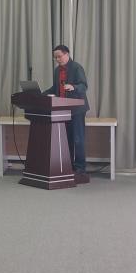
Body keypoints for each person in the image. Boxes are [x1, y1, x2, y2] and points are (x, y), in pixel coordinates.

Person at [42, 44, 90, 184]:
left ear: (67, 54)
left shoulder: (76, 67)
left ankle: (80, 169)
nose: (57, 59)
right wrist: (41, 94)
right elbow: (55, 88)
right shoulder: (57, 71)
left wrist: (73, 87)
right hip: (63, 109)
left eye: (59, 56)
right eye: (55, 57)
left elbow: (83, 86)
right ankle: (69, 166)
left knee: (78, 139)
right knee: (67, 139)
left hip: (77, 109)